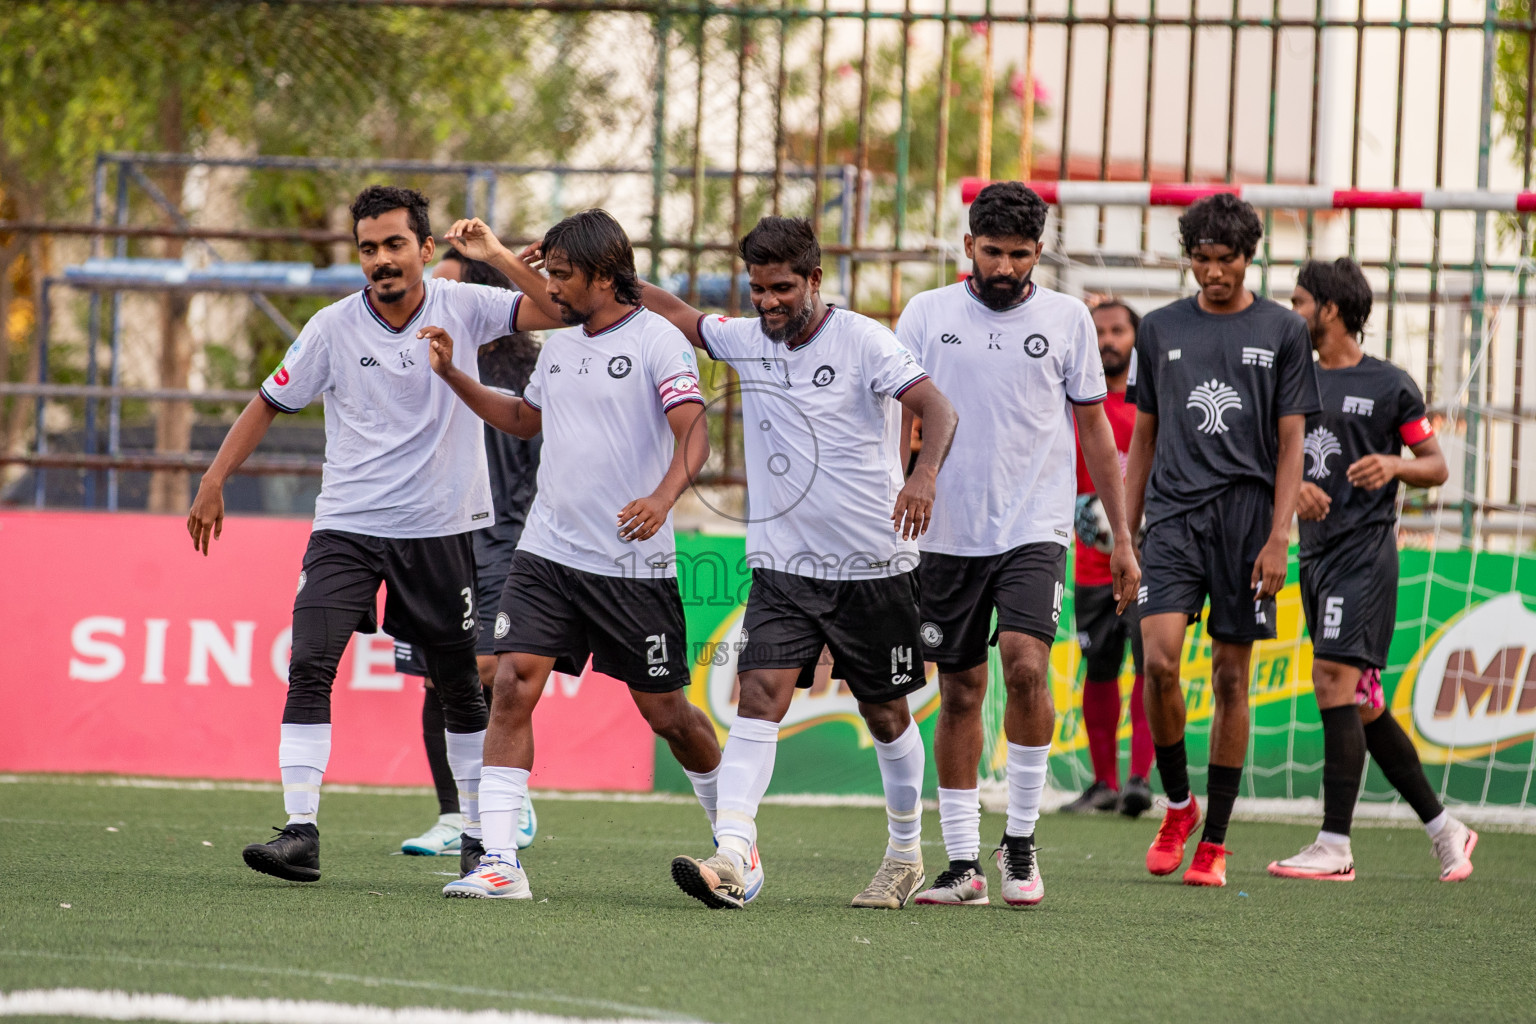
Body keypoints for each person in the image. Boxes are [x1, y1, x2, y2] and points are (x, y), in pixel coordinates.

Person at [189, 185, 552, 887]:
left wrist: (500, 255)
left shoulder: (466, 307)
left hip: (441, 530)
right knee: (310, 661)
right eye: (367, 248)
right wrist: (214, 479)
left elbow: (559, 310)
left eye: (394, 245)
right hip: (347, 526)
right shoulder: (331, 327)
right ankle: (300, 832)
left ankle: (480, 835)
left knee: (457, 684)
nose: (380, 261)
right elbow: (269, 400)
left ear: (425, 249)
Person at [640, 216, 959, 910]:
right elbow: (680, 315)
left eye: (782, 288)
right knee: (759, 696)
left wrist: (924, 475)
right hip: (784, 567)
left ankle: (904, 853)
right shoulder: (747, 340)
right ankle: (733, 855)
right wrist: (609, 275)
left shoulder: (866, 340)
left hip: (874, 566)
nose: (769, 302)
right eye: (757, 289)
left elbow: (937, 407)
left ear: (815, 280)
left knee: (885, 714)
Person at [428, 210, 723, 901]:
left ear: (602, 275)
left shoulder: (657, 341)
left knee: (668, 715)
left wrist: (662, 497)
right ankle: (500, 861)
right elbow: (525, 421)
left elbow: (696, 436)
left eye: (562, 276)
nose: (551, 289)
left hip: (629, 566)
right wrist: (454, 379)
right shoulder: (560, 346)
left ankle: (734, 837)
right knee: (510, 684)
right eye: (549, 273)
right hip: (548, 552)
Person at [891, 182, 1138, 908]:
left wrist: (1123, 536)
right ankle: (963, 864)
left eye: (1020, 255)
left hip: (1034, 524)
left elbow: (1095, 428)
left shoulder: (1067, 320)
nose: (1005, 267)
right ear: (968, 246)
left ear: (1039, 253)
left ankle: (1021, 844)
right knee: (960, 690)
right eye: (992, 252)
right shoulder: (926, 314)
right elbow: (891, 417)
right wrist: (897, 494)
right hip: (945, 532)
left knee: (1027, 667)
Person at [1124, 193, 1320, 887]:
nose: (1213, 273)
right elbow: (1142, 435)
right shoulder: (1157, 329)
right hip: (1174, 519)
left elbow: (1293, 440)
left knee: (1232, 677)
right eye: (1202, 260)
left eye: (1226, 260)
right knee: (1159, 662)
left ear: (1248, 257)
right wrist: (1127, 532)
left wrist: (1278, 536)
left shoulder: (1284, 331)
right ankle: (1178, 805)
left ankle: (1214, 842)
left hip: (1247, 523)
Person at [1267, 256, 1476, 882]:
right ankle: (1446, 829)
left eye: (1301, 301)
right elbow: (1267, 453)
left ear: (1330, 310)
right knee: (1358, 702)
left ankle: (1334, 845)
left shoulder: (1390, 385)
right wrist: (1295, 485)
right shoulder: (1288, 376)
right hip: (1316, 553)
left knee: (1333, 679)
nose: (1293, 312)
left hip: (1366, 553)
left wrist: (1394, 467)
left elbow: (1435, 465)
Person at [395, 247, 542, 862]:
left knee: (486, 671)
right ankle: (457, 813)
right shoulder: (418, 366)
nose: (435, 298)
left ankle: (508, 798)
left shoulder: (521, 378)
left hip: (504, 544)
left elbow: (537, 467)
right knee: (437, 677)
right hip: (436, 539)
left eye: (450, 287)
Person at [1063, 299, 1155, 819]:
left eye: (1118, 330)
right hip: (1090, 568)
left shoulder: (1149, 408)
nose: (1107, 340)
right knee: (1099, 672)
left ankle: (1140, 780)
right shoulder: (1074, 405)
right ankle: (1103, 783)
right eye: (1099, 331)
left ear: (1135, 339)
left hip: (1147, 563)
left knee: (1150, 668)